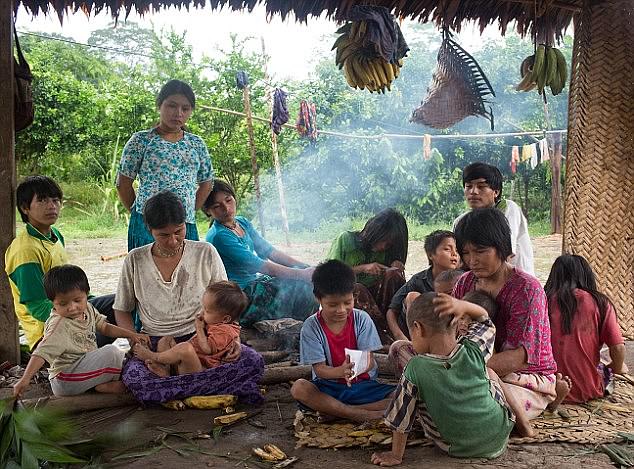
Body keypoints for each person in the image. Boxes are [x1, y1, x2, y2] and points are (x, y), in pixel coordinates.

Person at [113, 191, 264, 404]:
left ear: (186, 224)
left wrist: (234, 341)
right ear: (149, 230)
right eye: (163, 235)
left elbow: (227, 303)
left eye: (178, 231)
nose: (173, 241)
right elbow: (122, 309)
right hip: (156, 342)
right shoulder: (135, 260)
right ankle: (198, 385)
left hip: (206, 338)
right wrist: (136, 341)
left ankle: (171, 384)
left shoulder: (205, 252)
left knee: (253, 362)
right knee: (136, 378)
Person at [372, 293, 528, 466]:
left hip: (458, 448)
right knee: (490, 374)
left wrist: (395, 456)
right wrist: (462, 305)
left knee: (413, 395)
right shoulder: (474, 347)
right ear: (455, 322)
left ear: (418, 328)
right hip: (500, 433)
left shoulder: (415, 367)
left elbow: (401, 418)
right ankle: (523, 425)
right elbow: (484, 320)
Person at [451, 208, 570, 419]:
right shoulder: (465, 282)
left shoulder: (526, 289)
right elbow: (450, 330)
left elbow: (521, 358)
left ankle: (548, 393)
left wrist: (459, 370)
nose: (472, 261)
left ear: (501, 247)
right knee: (400, 350)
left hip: (523, 376)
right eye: (466, 253)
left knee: (482, 410)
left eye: (480, 251)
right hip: (470, 366)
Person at [5, 175, 117, 350]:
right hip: (49, 335)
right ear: (25, 208)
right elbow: (39, 308)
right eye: (42, 200)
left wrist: (87, 302)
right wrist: (86, 313)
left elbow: (70, 286)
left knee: (123, 302)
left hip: (70, 313)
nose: (52, 206)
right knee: (114, 311)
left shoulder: (55, 235)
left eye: (56, 200)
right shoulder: (26, 251)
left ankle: (139, 348)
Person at [13, 265, 149, 397]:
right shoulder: (59, 325)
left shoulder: (88, 308)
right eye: (63, 304)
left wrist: (131, 334)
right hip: (65, 380)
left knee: (118, 356)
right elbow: (41, 353)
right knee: (112, 353)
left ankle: (102, 384)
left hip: (82, 368)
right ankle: (109, 383)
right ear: (52, 302)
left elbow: (105, 327)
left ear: (87, 294)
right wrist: (25, 379)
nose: (72, 308)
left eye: (77, 300)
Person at [291, 260, 395, 422]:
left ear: (354, 295)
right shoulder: (311, 326)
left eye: (347, 303)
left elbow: (368, 360)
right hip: (329, 387)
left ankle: (337, 411)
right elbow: (319, 370)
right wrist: (340, 372)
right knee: (299, 388)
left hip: (362, 386)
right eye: (333, 304)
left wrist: (354, 371)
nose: (341, 310)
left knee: (399, 395)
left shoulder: (362, 319)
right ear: (318, 298)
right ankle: (359, 414)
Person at [203, 180, 318, 327]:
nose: (226, 208)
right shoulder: (220, 236)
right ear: (208, 211)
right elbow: (261, 266)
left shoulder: (241, 222)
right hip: (240, 295)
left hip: (255, 284)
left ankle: (300, 328)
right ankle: (301, 329)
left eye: (228, 200)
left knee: (305, 278)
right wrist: (302, 274)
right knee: (303, 285)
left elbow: (270, 251)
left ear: (234, 197)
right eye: (217, 206)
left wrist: (305, 267)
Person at [116, 79, 213, 250]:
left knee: (186, 274)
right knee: (149, 272)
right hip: (148, 225)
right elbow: (123, 183)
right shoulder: (141, 141)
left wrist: (189, 210)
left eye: (185, 108)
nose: (178, 113)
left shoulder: (197, 144)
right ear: (159, 105)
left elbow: (206, 182)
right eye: (172, 106)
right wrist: (142, 215)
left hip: (184, 225)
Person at [545, 254, 626, 403]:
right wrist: (617, 367)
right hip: (587, 389)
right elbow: (618, 348)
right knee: (612, 366)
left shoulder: (542, 300)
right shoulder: (600, 303)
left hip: (545, 389)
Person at [327, 209, 408, 343]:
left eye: (389, 245)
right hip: (346, 301)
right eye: (384, 241)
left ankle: (395, 329)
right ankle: (379, 337)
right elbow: (329, 274)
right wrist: (362, 268)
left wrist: (396, 265)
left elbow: (392, 279)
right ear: (375, 232)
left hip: (378, 305)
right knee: (357, 288)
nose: (384, 247)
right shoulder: (345, 239)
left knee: (393, 274)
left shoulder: (386, 251)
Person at [134, 281, 247, 376]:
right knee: (166, 340)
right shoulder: (217, 322)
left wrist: (198, 328)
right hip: (188, 363)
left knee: (185, 348)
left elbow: (206, 349)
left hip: (202, 370)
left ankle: (153, 356)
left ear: (226, 319)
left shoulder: (225, 331)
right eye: (203, 307)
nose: (202, 312)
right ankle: (166, 370)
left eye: (207, 311)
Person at [452, 162, 534, 275]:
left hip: (514, 280)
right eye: (468, 186)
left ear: (496, 192)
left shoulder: (508, 209)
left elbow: (506, 252)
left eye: (481, 186)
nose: (473, 192)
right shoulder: (460, 221)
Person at [386, 230, 459, 341]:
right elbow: (392, 310)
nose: (454, 254)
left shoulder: (463, 280)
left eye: (457, 250)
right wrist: (399, 336)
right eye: (447, 249)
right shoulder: (418, 280)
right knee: (412, 296)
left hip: (449, 334)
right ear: (431, 255)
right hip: (416, 334)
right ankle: (416, 343)